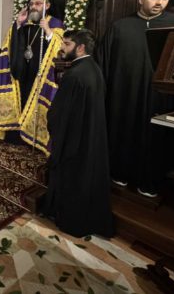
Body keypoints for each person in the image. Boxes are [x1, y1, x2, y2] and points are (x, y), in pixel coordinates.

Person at [96, 0, 174, 197]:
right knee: (123, 131)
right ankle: (119, 172)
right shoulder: (120, 26)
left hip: (160, 96)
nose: (159, 3)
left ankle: (150, 181)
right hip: (124, 94)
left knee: (156, 137)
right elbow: (103, 63)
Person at [40, 29, 114, 238]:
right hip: (90, 136)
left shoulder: (74, 75)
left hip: (74, 140)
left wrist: (51, 122)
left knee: (71, 179)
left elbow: (59, 113)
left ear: (80, 48)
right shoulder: (94, 69)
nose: (62, 48)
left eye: (67, 44)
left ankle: (70, 221)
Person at [0, 0, 64, 153]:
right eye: (31, 3)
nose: (34, 7)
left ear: (47, 6)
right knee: (19, 102)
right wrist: (18, 25)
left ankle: (33, 138)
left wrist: (48, 31)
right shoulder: (24, 22)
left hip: (40, 75)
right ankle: (15, 135)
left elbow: (60, 49)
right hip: (21, 73)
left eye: (38, 3)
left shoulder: (55, 23)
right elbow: (9, 44)